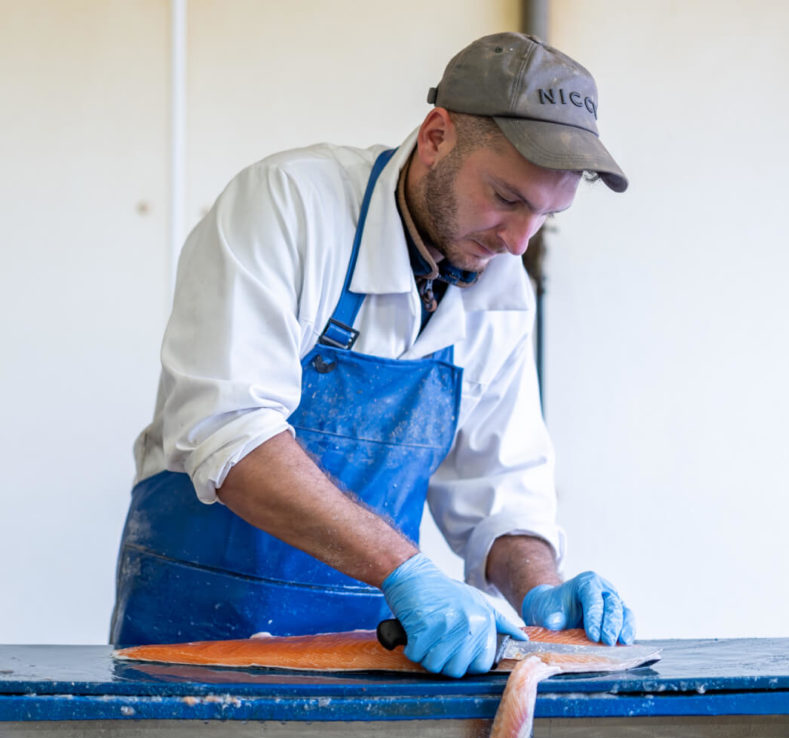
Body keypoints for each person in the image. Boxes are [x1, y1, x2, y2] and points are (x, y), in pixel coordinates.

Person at [110, 32, 634, 678]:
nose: (519, 244)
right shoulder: (288, 208)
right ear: (437, 136)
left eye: (546, 217)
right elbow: (230, 433)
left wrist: (538, 590)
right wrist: (406, 568)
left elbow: (499, 491)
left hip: (363, 662)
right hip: (195, 646)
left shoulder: (500, 289)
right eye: (506, 198)